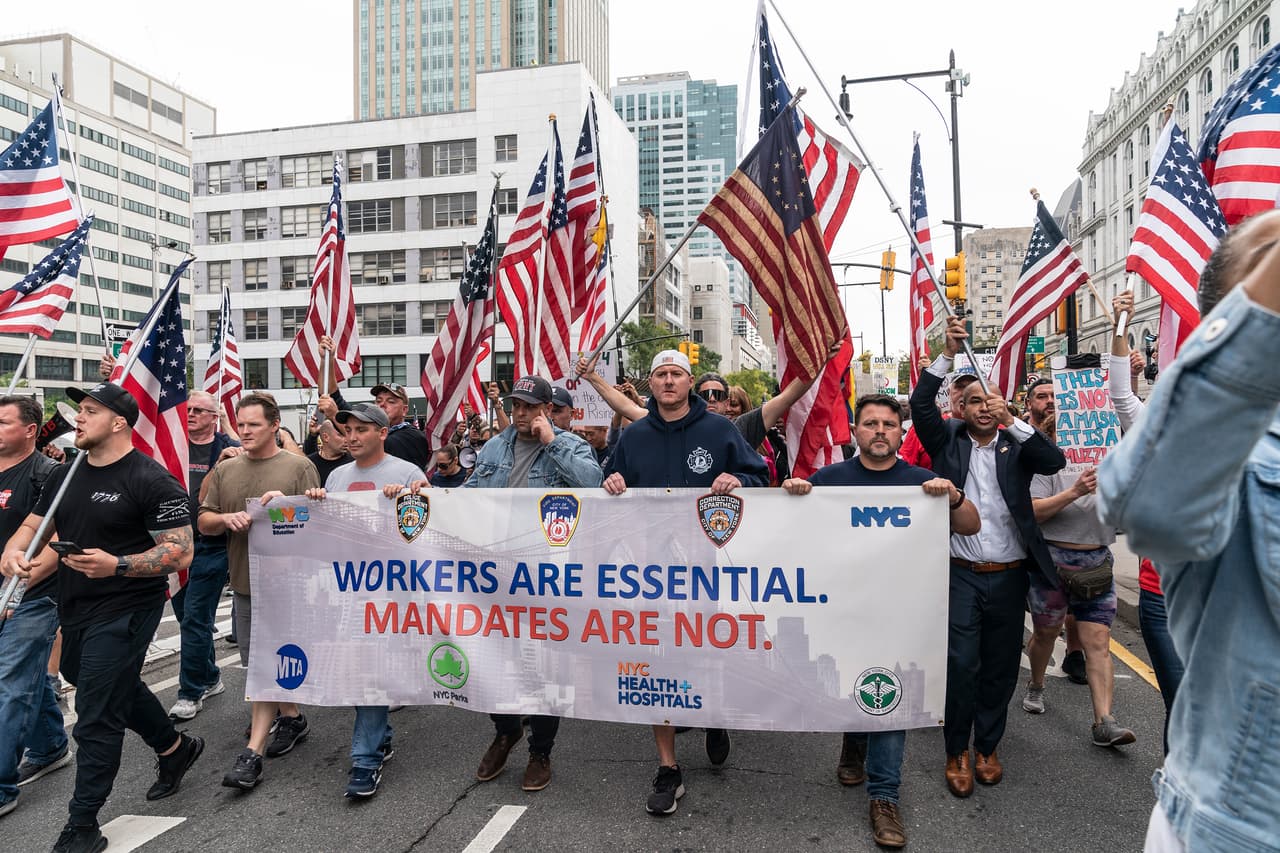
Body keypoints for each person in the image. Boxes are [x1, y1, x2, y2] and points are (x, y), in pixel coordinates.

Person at [1098, 209, 1280, 853]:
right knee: (1182, 710)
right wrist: (1121, 326)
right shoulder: (1211, 445)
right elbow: (1142, 475)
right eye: (1269, 257)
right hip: (1236, 825)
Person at [1, 383, 199, 853]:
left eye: (90, 411)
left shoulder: (151, 479)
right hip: (76, 605)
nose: (78, 417)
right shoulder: (65, 475)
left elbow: (180, 550)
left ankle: (83, 824)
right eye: (80, 410)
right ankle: (175, 748)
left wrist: (120, 564)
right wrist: (14, 556)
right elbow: (36, 527)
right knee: (88, 678)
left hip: (129, 605)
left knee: (94, 713)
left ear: (118, 423)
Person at [781, 394, 979, 849]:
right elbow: (788, 531)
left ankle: (884, 796)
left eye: (889, 424)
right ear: (855, 432)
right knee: (851, 680)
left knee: (889, 693)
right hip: (841, 611)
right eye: (870, 423)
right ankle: (854, 738)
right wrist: (793, 495)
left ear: (900, 432)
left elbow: (970, 525)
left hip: (901, 616)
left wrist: (953, 496)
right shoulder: (828, 481)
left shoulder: (921, 482)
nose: (879, 431)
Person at [602, 349, 769, 816]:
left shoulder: (720, 430)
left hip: (709, 570)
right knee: (657, 666)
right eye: (661, 375)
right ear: (651, 384)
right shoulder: (633, 436)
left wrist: (737, 479)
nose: (669, 381)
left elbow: (762, 476)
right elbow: (610, 480)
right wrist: (611, 479)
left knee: (706, 656)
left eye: (677, 374)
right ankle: (668, 767)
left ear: (689, 381)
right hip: (652, 575)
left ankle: (713, 717)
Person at [908, 318, 1065, 798]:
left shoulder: (1017, 445)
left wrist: (1013, 420)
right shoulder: (947, 440)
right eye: (972, 401)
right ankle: (956, 750)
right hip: (960, 574)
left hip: (1011, 574)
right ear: (961, 407)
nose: (980, 407)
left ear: (1000, 406)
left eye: (988, 401)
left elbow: (1053, 461)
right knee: (962, 663)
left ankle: (987, 748)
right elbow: (919, 405)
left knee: (999, 666)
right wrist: (947, 353)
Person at [464, 375, 602, 793]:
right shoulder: (493, 446)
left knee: (545, 666)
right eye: (516, 405)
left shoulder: (569, 443)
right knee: (493, 658)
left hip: (546, 573)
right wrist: (429, 496)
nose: (521, 413)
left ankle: (541, 751)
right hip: (497, 572)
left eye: (530, 406)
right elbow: (470, 494)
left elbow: (592, 484)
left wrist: (551, 442)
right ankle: (506, 730)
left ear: (546, 409)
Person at [198, 393, 320, 791]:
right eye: (241, 423)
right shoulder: (226, 470)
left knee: (274, 663)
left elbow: (320, 524)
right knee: (259, 664)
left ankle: (253, 752)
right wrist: (224, 518)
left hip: (291, 585)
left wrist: (288, 508)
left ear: (274, 425)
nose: (245, 431)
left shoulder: (299, 467)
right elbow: (204, 520)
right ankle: (292, 718)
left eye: (253, 424)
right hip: (246, 585)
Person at [304, 403, 424, 799]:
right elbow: (326, 534)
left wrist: (406, 501)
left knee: (368, 668)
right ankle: (381, 737)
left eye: (361, 430)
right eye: (347, 430)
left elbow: (427, 531)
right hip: (348, 589)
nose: (351, 437)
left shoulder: (407, 473)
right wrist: (317, 504)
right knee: (359, 670)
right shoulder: (337, 476)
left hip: (389, 593)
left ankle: (366, 759)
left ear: (383, 433)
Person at [1019, 378, 1135, 747]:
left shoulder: (1111, 464)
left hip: (1097, 562)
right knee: (1046, 634)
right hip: (1053, 564)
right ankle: (1036, 684)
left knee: (1097, 641)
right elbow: (1033, 513)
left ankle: (1104, 721)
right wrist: (1074, 491)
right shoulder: (1047, 466)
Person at [0, 396, 66, 820]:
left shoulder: (50, 474)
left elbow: (58, 542)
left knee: (9, 684)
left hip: (30, 596)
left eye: (2, 421)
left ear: (28, 430)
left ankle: (3, 786)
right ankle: (49, 745)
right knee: (25, 679)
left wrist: (11, 593)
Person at [168, 390, 240, 722]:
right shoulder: (171, 442)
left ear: (215, 417)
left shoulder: (227, 449)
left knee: (196, 616)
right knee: (188, 617)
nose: (191, 414)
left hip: (210, 544)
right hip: (173, 543)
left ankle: (190, 691)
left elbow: (208, 494)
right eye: (188, 409)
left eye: (199, 410)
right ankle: (210, 676)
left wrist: (223, 462)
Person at [370, 383, 430, 469]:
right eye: (378, 401)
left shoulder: (411, 437)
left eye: (391, 401)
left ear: (404, 410)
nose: (382, 404)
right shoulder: (377, 434)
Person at [307, 419, 353, 485]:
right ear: (326, 437)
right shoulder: (310, 464)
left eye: (347, 434)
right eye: (341, 435)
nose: (346, 440)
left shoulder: (353, 462)